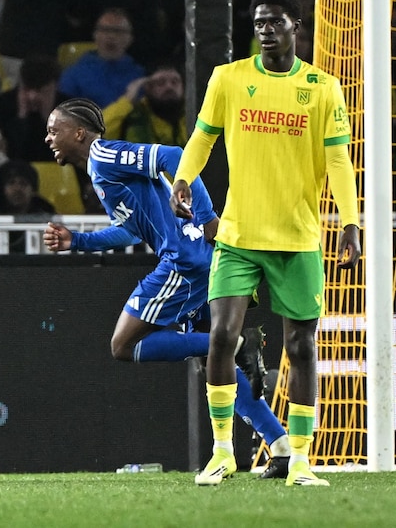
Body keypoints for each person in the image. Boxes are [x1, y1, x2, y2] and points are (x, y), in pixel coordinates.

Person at [41, 97, 293, 479]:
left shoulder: (104, 153)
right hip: (197, 258)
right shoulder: (98, 171)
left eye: (53, 129)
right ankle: (281, 447)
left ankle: (240, 343)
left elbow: (173, 155)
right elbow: (128, 228)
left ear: (78, 132)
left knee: (123, 345)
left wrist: (207, 218)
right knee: (215, 363)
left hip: (184, 260)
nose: (48, 138)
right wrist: (77, 242)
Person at [170, 0, 361, 487]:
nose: (265, 30)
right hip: (239, 234)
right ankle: (222, 452)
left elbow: (339, 160)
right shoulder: (229, 80)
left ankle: (299, 459)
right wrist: (184, 178)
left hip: (298, 237)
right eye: (258, 23)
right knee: (222, 336)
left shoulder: (322, 87)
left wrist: (351, 220)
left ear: (296, 26)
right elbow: (202, 137)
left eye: (275, 21)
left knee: (300, 348)